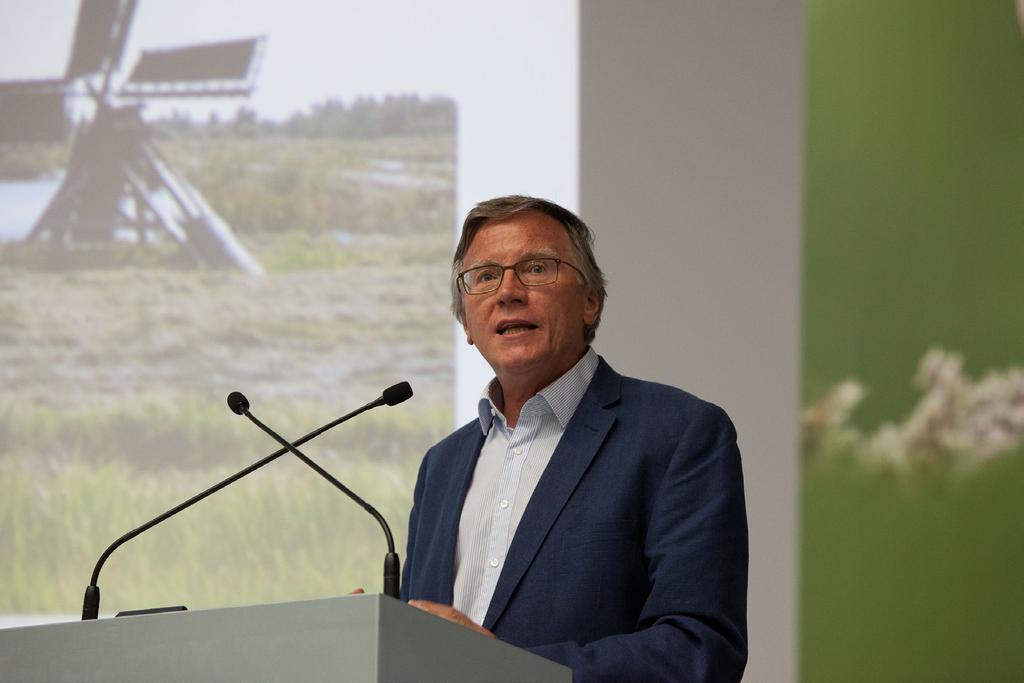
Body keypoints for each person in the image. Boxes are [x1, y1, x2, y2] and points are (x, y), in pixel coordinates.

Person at [401, 196, 748, 683]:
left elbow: (700, 649)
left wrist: (509, 672)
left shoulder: (678, 434)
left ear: (591, 301)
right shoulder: (442, 464)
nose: (509, 292)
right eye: (483, 277)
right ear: (466, 325)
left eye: (537, 268)